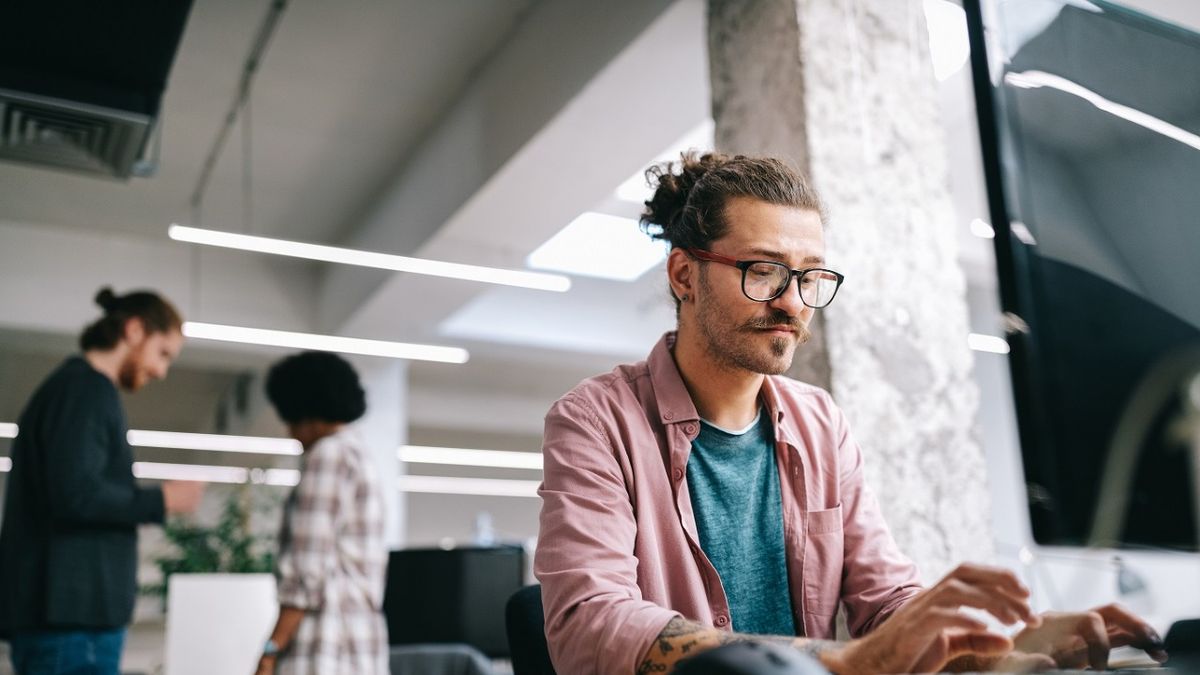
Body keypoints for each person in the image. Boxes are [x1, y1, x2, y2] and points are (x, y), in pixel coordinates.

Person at [534, 153, 1168, 674]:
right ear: (683, 276)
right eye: (763, 271)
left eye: (810, 277)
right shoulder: (596, 420)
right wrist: (845, 663)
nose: (792, 303)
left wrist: (999, 645)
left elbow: (885, 601)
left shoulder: (819, 423)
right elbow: (591, 626)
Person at [0, 287, 205, 675]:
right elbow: (76, 494)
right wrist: (163, 500)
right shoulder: (85, 390)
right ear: (134, 330)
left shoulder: (75, 389)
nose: (161, 371)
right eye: (162, 353)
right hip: (72, 626)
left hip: (67, 622)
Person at [255, 351, 388, 675]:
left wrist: (270, 651)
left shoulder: (328, 455)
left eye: (290, 419)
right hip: (360, 645)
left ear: (306, 412)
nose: (290, 432)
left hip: (325, 645)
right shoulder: (359, 454)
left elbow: (306, 569)